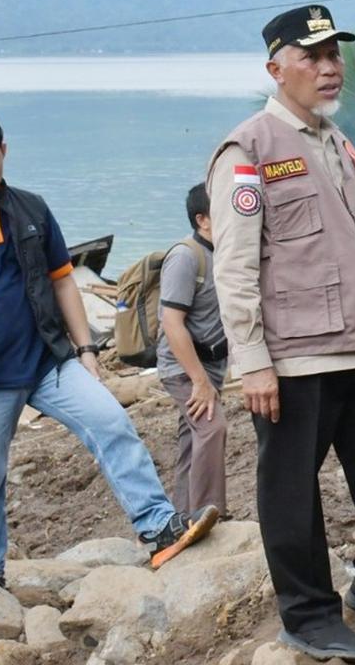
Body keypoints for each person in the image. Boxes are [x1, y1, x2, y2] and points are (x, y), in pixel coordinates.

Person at [206, 4, 355, 663]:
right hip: (292, 358)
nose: (329, 67)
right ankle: (307, 615)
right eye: (312, 56)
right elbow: (234, 267)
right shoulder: (248, 149)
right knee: (290, 489)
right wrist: (253, 361)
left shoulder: (337, 142)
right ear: (276, 68)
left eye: (334, 54)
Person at [0, 107, 218, 587]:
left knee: (112, 424)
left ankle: (158, 527)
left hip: (49, 362)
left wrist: (87, 350)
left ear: (3, 151)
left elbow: (63, 282)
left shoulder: (32, 210)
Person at [157, 184, 229, 517]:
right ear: (203, 220)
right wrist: (199, 381)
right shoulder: (185, 257)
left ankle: (183, 516)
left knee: (193, 437)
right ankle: (207, 513)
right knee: (212, 428)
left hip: (211, 365)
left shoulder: (224, 252)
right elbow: (172, 323)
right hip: (183, 366)